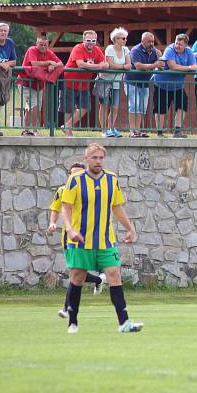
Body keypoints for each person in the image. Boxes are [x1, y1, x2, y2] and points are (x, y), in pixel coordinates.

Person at [59, 143, 143, 334]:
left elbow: (117, 206)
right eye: (94, 158)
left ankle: (124, 323)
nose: (98, 161)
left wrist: (130, 228)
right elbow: (66, 207)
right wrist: (70, 229)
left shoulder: (112, 180)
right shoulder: (75, 180)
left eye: (101, 158)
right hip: (80, 240)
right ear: (87, 158)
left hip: (106, 240)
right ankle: (73, 322)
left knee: (114, 274)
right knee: (77, 277)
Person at [47, 161, 106, 318]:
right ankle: (99, 280)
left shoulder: (92, 190)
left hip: (88, 235)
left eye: (79, 173)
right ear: (68, 175)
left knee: (75, 273)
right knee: (75, 272)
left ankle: (68, 309)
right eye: (73, 173)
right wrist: (52, 223)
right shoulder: (62, 190)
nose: (76, 176)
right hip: (69, 238)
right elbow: (55, 209)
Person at [15, 33, 63, 136]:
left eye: (45, 45)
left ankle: (26, 130)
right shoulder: (32, 50)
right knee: (34, 106)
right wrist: (49, 62)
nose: (43, 47)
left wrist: (53, 66)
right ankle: (35, 130)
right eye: (41, 44)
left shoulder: (49, 53)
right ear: (36, 44)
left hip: (38, 85)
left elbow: (60, 63)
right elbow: (34, 63)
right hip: (26, 83)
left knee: (33, 106)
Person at [62, 30, 108, 136]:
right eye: (88, 40)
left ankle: (67, 126)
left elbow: (103, 63)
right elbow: (81, 64)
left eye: (93, 40)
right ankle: (67, 132)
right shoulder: (78, 48)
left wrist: (103, 65)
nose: (90, 43)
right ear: (83, 40)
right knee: (68, 108)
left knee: (85, 107)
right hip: (69, 82)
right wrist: (99, 66)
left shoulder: (97, 50)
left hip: (84, 84)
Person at [152, 34, 197, 138]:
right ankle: (159, 132)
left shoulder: (189, 52)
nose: (177, 46)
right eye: (176, 43)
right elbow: (173, 66)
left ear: (185, 45)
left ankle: (177, 131)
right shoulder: (169, 49)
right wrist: (188, 68)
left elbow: (195, 66)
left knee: (183, 104)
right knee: (161, 108)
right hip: (162, 84)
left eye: (180, 44)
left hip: (178, 86)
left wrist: (187, 67)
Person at [125, 32, 163, 137]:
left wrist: (160, 58)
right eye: (148, 42)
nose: (151, 44)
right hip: (132, 82)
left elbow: (161, 67)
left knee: (142, 107)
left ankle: (138, 130)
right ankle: (132, 131)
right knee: (133, 106)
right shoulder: (135, 50)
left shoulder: (155, 51)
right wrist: (154, 64)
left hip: (145, 84)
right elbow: (138, 66)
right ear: (142, 42)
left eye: (152, 41)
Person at [97, 27, 132, 138]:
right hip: (104, 80)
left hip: (117, 81)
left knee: (115, 106)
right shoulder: (110, 48)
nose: (125, 40)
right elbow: (110, 64)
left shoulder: (126, 50)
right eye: (123, 38)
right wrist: (123, 67)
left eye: (125, 38)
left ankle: (111, 128)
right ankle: (104, 130)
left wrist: (121, 67)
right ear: (116, 39)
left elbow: (129, 65)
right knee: (104, 105)